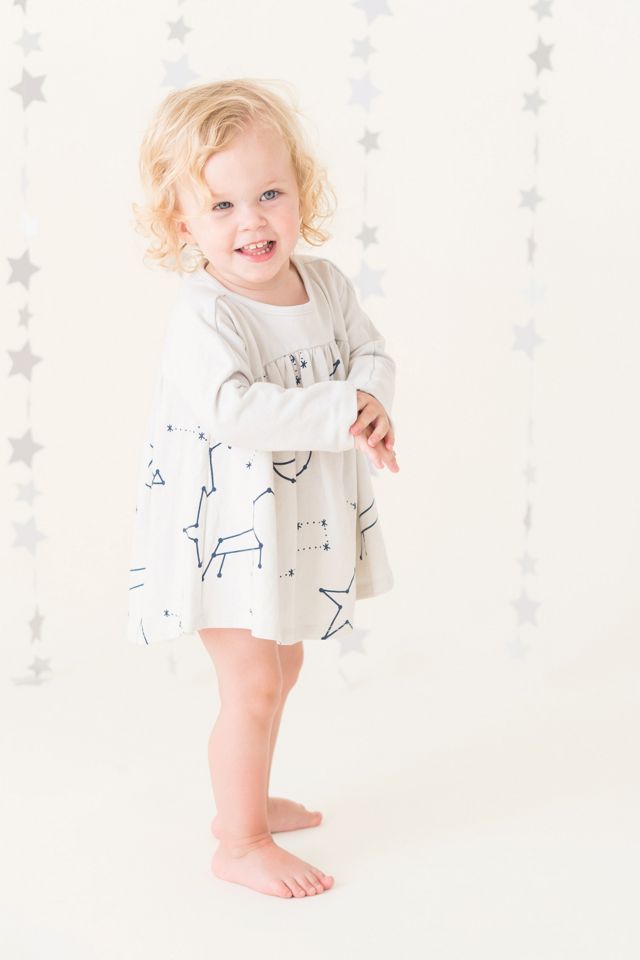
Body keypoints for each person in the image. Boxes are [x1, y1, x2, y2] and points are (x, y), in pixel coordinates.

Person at [128, 78, 400, 899]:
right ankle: (240, 840)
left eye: (269, 194)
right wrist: (340, 408)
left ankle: (245, 802)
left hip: (289, 526)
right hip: (227, 534)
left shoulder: (325, 284)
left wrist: (372, 395)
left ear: (300, 191)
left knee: (283, 667)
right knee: (250, 683)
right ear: (183, 223)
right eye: (221, 206)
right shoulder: (207, 312)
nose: (252, 221)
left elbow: (369, 351)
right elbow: (235, 411)